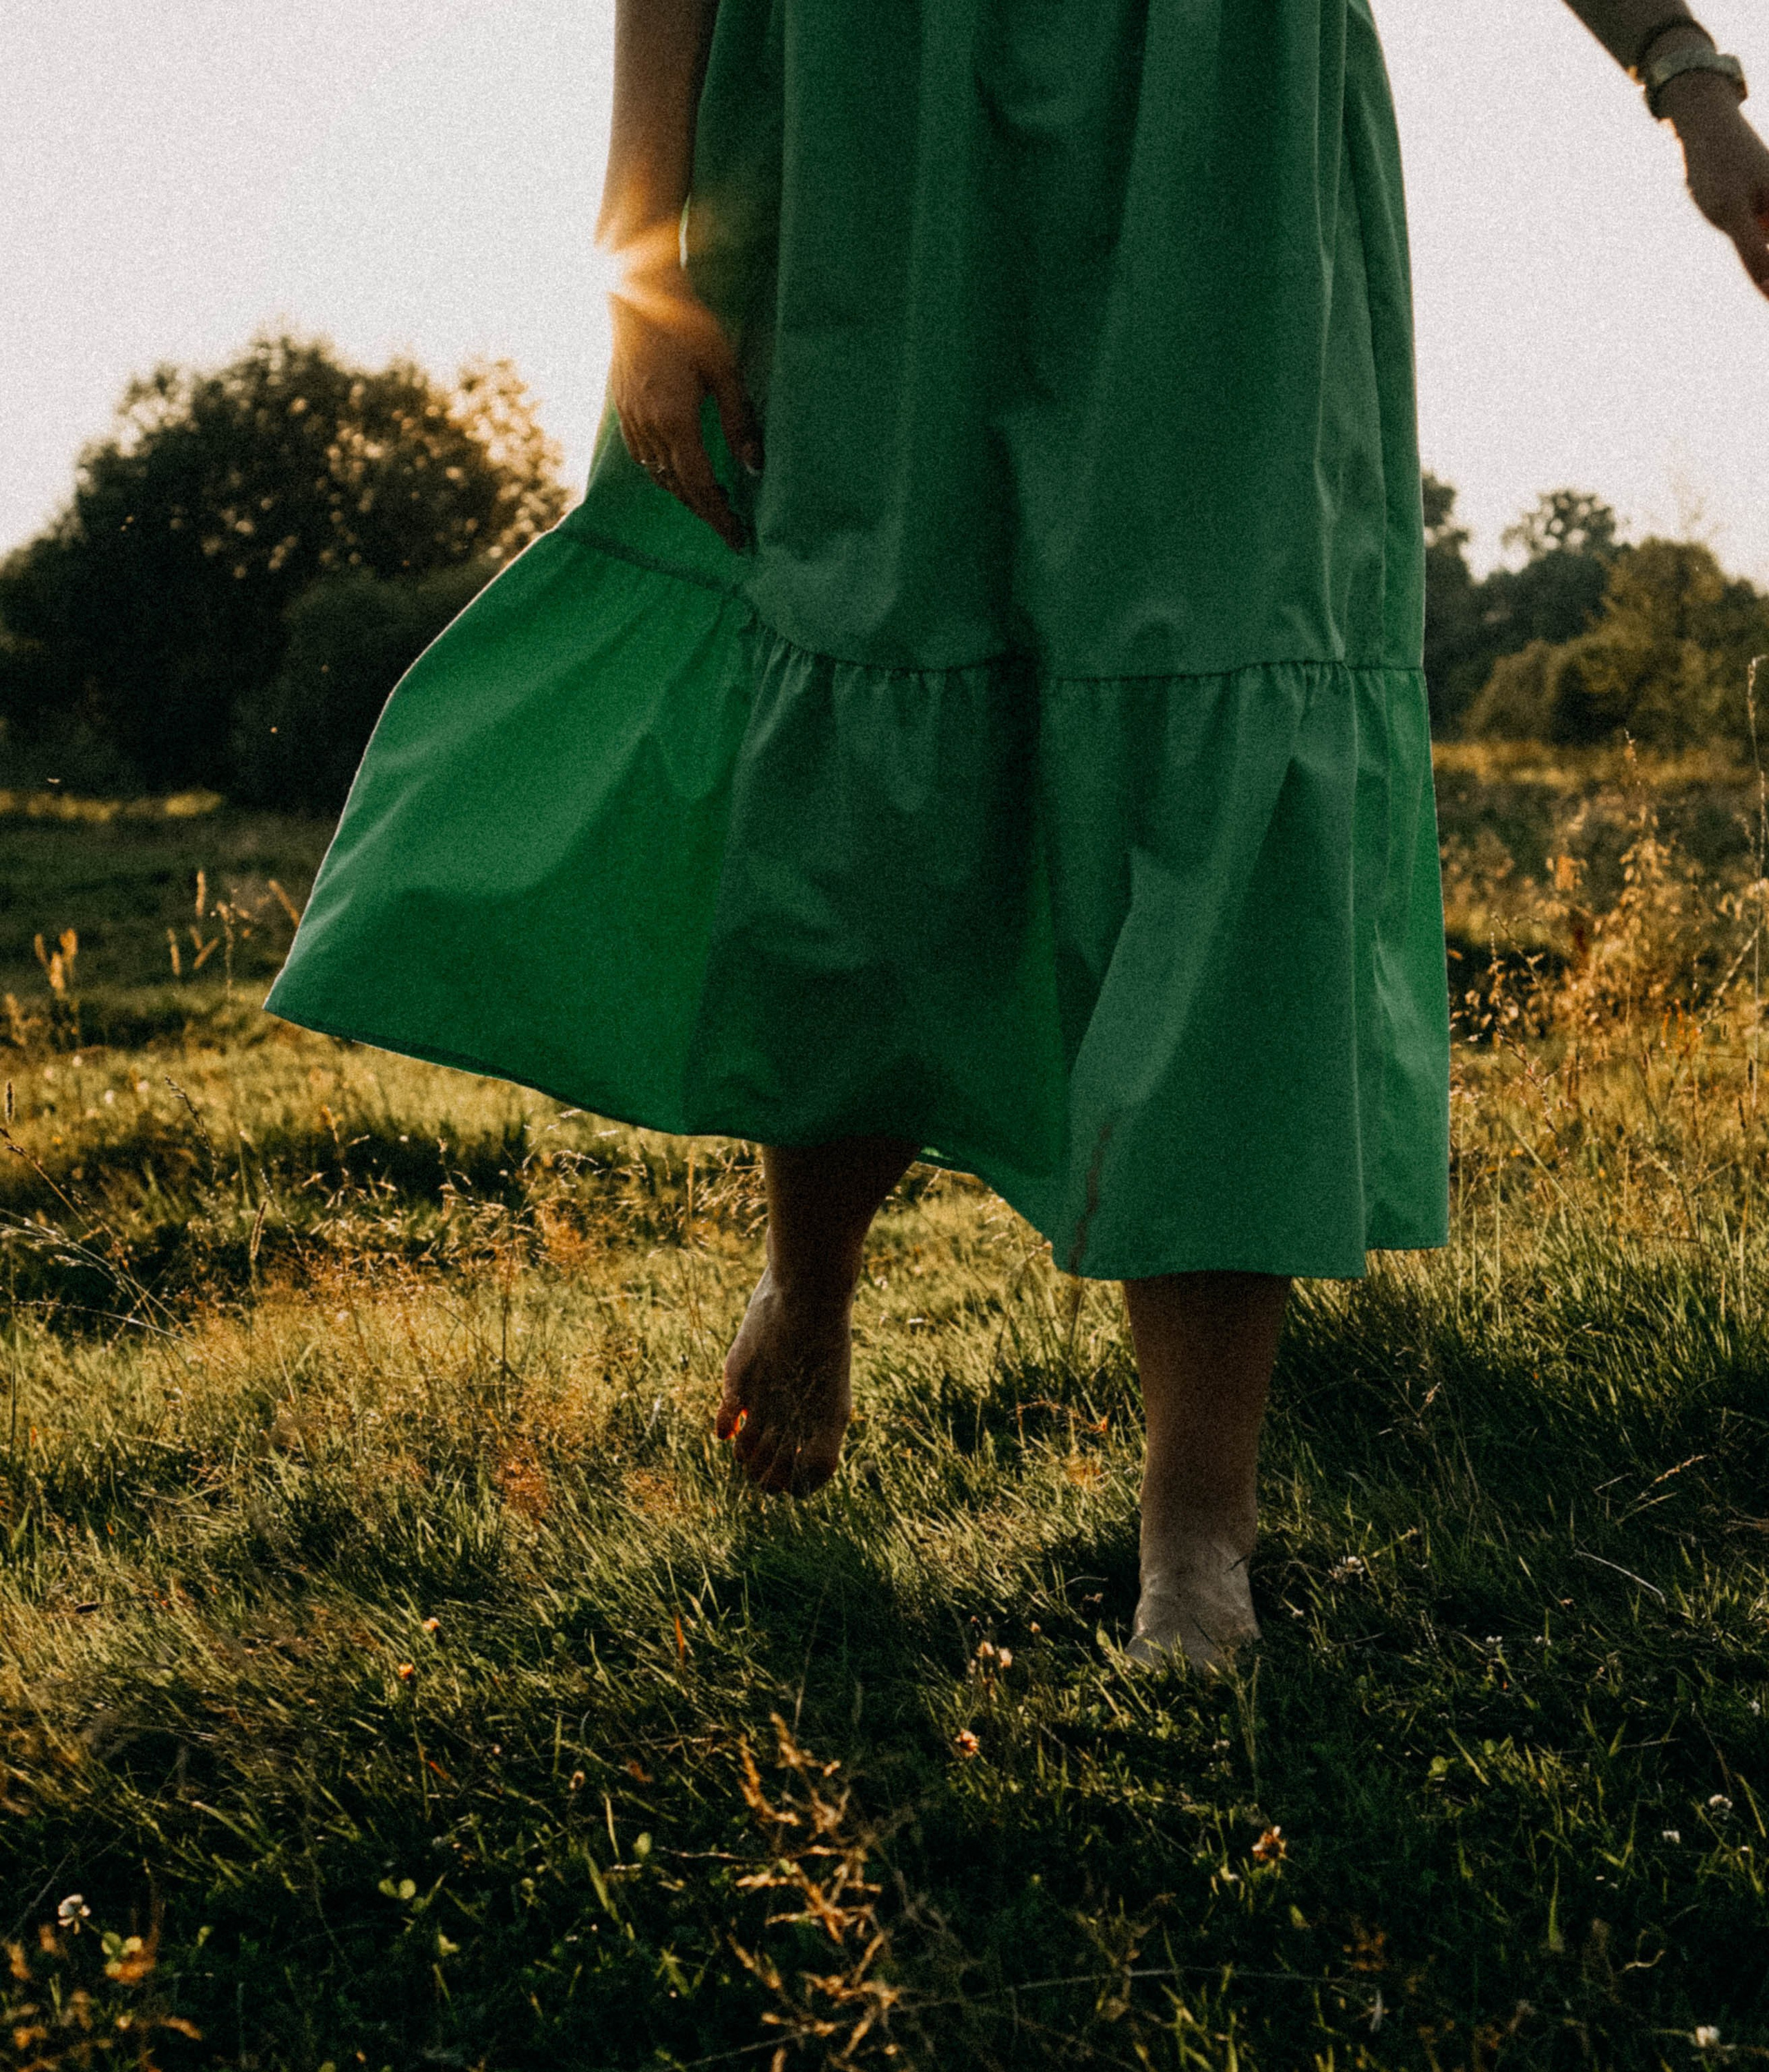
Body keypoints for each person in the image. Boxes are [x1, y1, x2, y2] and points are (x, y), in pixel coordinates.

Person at [265, 1, 1769, 1671]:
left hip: (1219, 135)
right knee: (875, 716)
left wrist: (1680, 72)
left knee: (1218, 741)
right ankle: (810, 1278)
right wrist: (648, 264)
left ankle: (1194, 1526)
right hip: (878, 122)